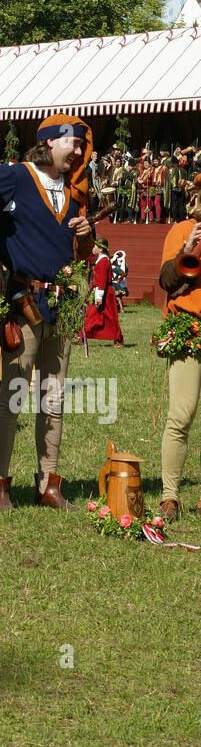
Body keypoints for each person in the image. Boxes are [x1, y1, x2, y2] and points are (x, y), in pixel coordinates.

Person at [0, 115, 95, 511]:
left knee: (54, 398)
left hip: (62, 306)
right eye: (73, 143)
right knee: (12, 398)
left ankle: (48, 484)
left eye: (82, 146)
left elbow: (78, 253)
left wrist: (85, 239)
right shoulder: (14, 176)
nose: (79, 152)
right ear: (50, 142)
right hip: (23, 304)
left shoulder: (74, 192)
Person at [156, 174, 201, 520]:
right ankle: (170, 495)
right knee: (181, 415)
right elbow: (166, 282)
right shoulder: (182, 230)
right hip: (189, 329)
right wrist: (186, 251)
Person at [83, 238, 124, 346]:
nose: (93, 248)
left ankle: (118, 339)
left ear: (100, 249)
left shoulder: (103, 261)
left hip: (105, 293)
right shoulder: (102, 260)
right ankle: (82, 336)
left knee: (110, 317)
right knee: (91, 314)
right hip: (101, 291)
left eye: (94, 246)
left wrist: (99, 296)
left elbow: (102, 280)